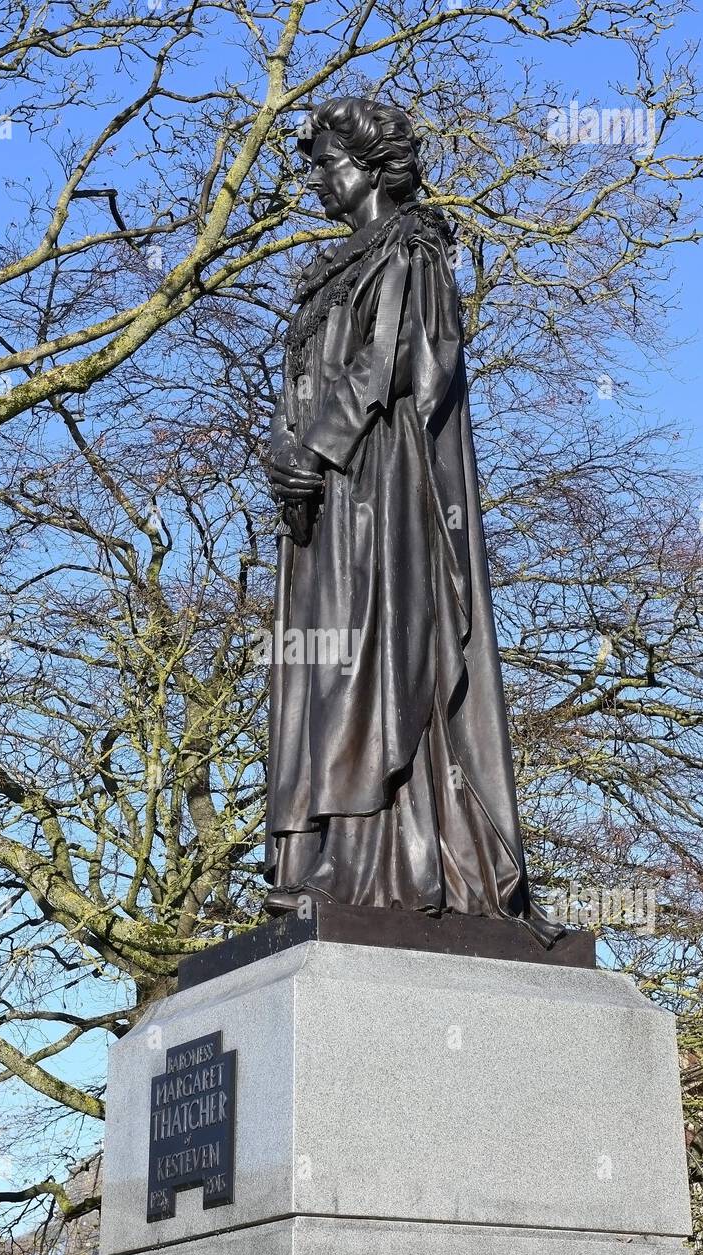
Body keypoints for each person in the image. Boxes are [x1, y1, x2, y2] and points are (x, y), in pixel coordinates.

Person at [263, 97, 562, 948]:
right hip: (321, 501)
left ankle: (373, 862)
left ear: (369, 163)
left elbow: (396, 365)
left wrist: (316, 447)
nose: (317, 178)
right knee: (318, 677)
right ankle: (318, 854)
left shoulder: (413, 250)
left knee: (368, 661)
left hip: (380, 495)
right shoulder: (327, 274)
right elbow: (302, 383)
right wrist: (286, 449)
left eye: (327, 162)